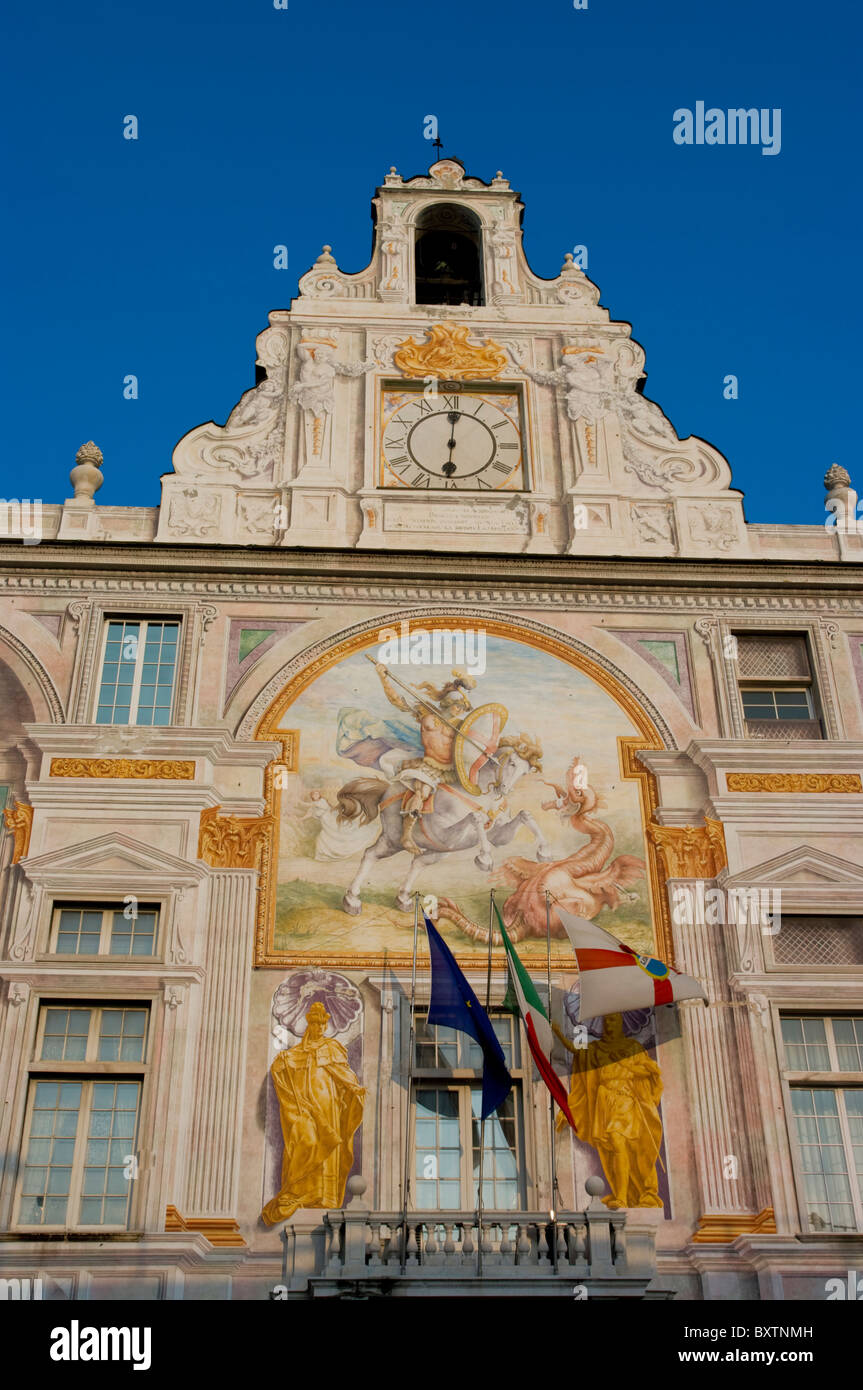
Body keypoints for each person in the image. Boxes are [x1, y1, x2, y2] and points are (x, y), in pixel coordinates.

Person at [261, 1002, 365, 1225]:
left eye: (322, 1024)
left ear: (326, 1025)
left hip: (328, 1108)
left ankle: (322, 1196)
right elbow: (283, 1067)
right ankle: (297, 1192)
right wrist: (282, 1062)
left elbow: (343, 1073)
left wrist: (355, 1089)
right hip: (304, 1108)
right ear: (309, 1024)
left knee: (327, 1152)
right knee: (304, 1141)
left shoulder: (332, 1047)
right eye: (315, 1024)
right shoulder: (295, 1053)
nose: (318, 1028)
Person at [556, 1013, 664, 1209]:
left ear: (621, 1024)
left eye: (614, 1022)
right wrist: (558, 1034)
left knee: (631, 1149)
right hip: (606, 1103)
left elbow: (650, 1071)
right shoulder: (597, 1049)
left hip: (626, 1102)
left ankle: (632, 1194)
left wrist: (623, 1064)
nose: (610, 1026)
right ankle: (621, 1194)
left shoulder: (632, 1048)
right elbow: (577, 1052)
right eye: (607, 1022)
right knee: (614, 1147)